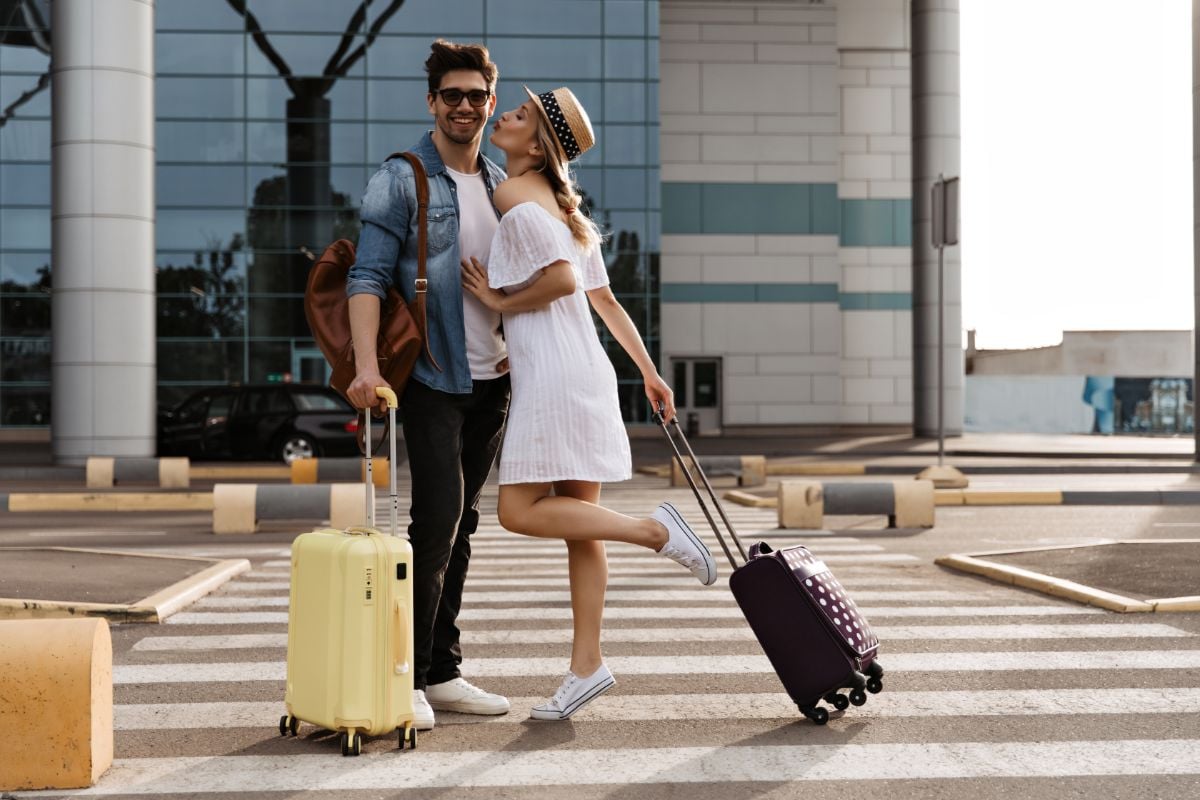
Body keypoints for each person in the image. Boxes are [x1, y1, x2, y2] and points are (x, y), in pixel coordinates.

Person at [460, 86, 718, 722]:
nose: (506, 116)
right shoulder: (564, 208)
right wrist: (650, 374)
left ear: (538, 142)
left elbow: (564, 282)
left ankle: (655, 532)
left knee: (518, 513)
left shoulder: (511, 195)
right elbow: (606, 302)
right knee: (580, 527)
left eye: (519, 115)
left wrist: (495, 303)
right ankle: (586, 666)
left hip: (552, 376)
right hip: (586, 373)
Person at [344, 40, 511, 731]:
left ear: (490, 103)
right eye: (452, 96)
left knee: (465, 523)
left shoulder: (504, 184)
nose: (465, 107)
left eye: (476, 96)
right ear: (432, 103)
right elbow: (366, 278)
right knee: (435, 522)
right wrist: (365, 366)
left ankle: (443, 672)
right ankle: (406, 675)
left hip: (494, 378)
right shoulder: (404, 176)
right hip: (433, 376)